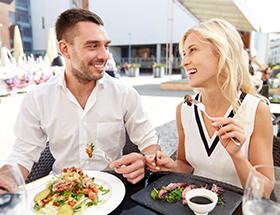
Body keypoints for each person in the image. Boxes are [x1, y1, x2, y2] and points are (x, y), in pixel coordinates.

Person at [0, 8, 158, 187]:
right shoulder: (38, 98)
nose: (105, 55)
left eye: (105, 46)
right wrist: (5, 181)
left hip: (114, 188)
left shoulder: (125, 93)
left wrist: (145, 160)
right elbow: (23, 154)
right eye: (93, 46)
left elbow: (151, 144)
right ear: (65, 49)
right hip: (61, 192)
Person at [145, 19, 273, 189]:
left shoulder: (256, 110)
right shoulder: (184, 109)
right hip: (193, 203)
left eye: (192, 50)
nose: (183, 62)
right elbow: (185, 164)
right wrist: (172, 166)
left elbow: (265, 191)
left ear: (222, 53)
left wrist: (237, 156)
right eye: (184, 54)